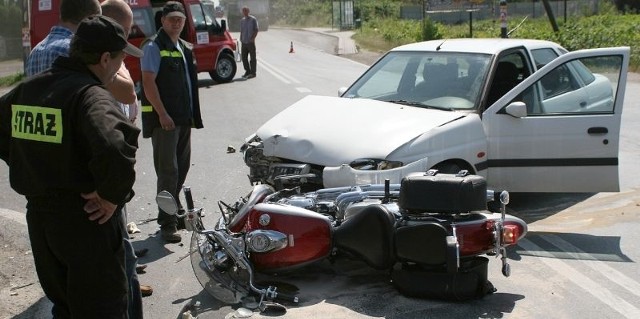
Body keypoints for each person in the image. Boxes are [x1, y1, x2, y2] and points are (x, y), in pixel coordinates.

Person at [0, 15, 142, 318]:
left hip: (41, 224)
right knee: (102, 310)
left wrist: (33, 166)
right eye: (118, 60)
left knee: (65, 308)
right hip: (87, 224)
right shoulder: (90, 96)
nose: (118, 68)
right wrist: (110, 196)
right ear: (105, 59)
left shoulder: (29, 89)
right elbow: (116, 147)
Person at [100, 0, 151, 313]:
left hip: (112, 178)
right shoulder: (93, 86)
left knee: (121, 247)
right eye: (128, 28)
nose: (131, 33)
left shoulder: (110, 61)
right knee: (115, 252)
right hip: (105, 182)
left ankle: (127, 279)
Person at [140, 1, 203, 243]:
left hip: (182, 119)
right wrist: (162, 114)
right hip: (165, 121)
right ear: (162, 21)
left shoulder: (183, 47)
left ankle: (173, 211)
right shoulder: (154, 47)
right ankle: (167, 224)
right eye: (172, 19)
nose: (176, 23)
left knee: (181, 168)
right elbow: (148, 82)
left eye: (180, 19)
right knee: (168, 172)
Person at [25, 0, 102, 77]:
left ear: (62, 13)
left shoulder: (34, 53)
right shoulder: (74, 51)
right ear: (90, 19)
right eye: (99, 22)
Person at [240, 5, 258, 79]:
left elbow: (256, 29)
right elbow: (242, 30)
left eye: (246, 10)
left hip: (250, 42)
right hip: (244, 42)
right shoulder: (242, 20)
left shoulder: (253, 19)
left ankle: (253, 73)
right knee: (244, 58)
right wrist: (240, 38)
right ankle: (247, 71)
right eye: (243, 11)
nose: (245, 12)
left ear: (248, 11)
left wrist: (253, 38)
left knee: (252, 58)